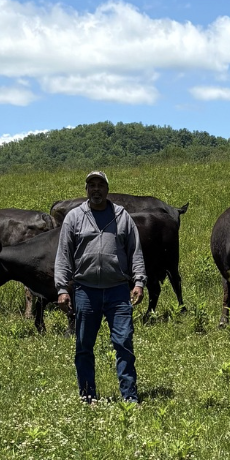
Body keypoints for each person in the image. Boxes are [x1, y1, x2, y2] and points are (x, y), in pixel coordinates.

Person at [54, 171, 146, 403]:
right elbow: (63, 255)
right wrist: (62, 289)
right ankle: (87, 396)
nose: (96, 189)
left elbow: (135, 251)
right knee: (84, 345)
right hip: (86, 291)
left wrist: (139, 281)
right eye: (91, 185)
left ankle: (129, 398)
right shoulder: (74, 217)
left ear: (107, 189)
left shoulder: (121, 216)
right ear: (86, 190)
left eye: (100, 185)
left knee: (124, 343)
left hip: (117, 290)